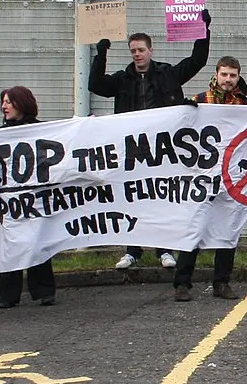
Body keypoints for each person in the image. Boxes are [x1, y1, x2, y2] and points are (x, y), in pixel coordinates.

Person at [90, 16, 211, 272]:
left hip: (163, 150)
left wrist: (203, 31)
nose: (137, 54)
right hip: (132, 150)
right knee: (132, 200)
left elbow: (197, 61)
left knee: (162, 199)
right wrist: (101, 53)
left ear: (150, 50)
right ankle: (132, 250)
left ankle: (164, 249)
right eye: (133, 51)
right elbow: (96, 85)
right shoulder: (123, 79)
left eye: (141, 50)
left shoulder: (167, 74)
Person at [173, 56, 247, 301]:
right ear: (216, 74)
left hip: (230, 177)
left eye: (233, 75)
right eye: (224, 74)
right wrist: (184, 111)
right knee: (194, 227)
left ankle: (221, 282)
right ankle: (182, 283)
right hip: (201, 176)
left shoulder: (244, 105)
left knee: (228, 229)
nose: (228, 80)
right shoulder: (198, 101)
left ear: (238, 76)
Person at [0, 86, 57, 308]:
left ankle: (44, 291)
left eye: (9, 102)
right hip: (11, 201)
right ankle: (8, 296)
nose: (4, 106)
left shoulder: (43, 130)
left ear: (22, 103)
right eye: (3, 102)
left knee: (39, 242)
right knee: (11, 244)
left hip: (37, 200)